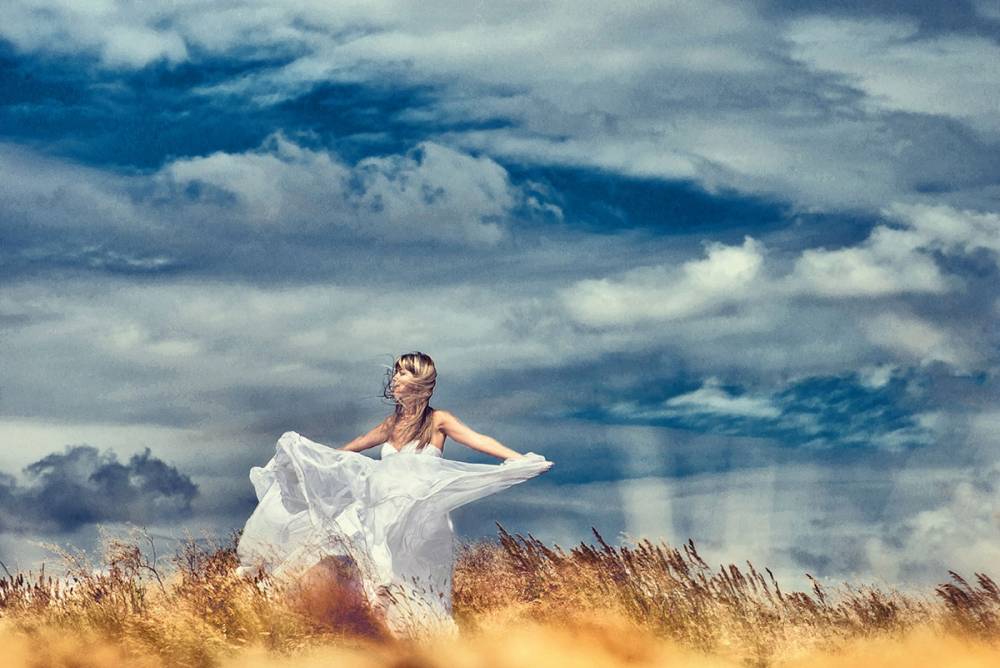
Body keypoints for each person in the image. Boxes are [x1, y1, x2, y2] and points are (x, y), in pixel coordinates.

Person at [235, 351, 554, 638]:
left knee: (411, 584)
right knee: (339, 551)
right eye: (396, 371)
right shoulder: (392, 423)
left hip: (418, 516)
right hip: (379, 511)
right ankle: (281, 597)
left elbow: (479, 440)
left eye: (402, 372)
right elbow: (351, 449)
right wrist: (307, 464)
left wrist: (519, 459)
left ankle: (416, 640)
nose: (395, 378)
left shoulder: (438, 420)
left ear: (418, 381)